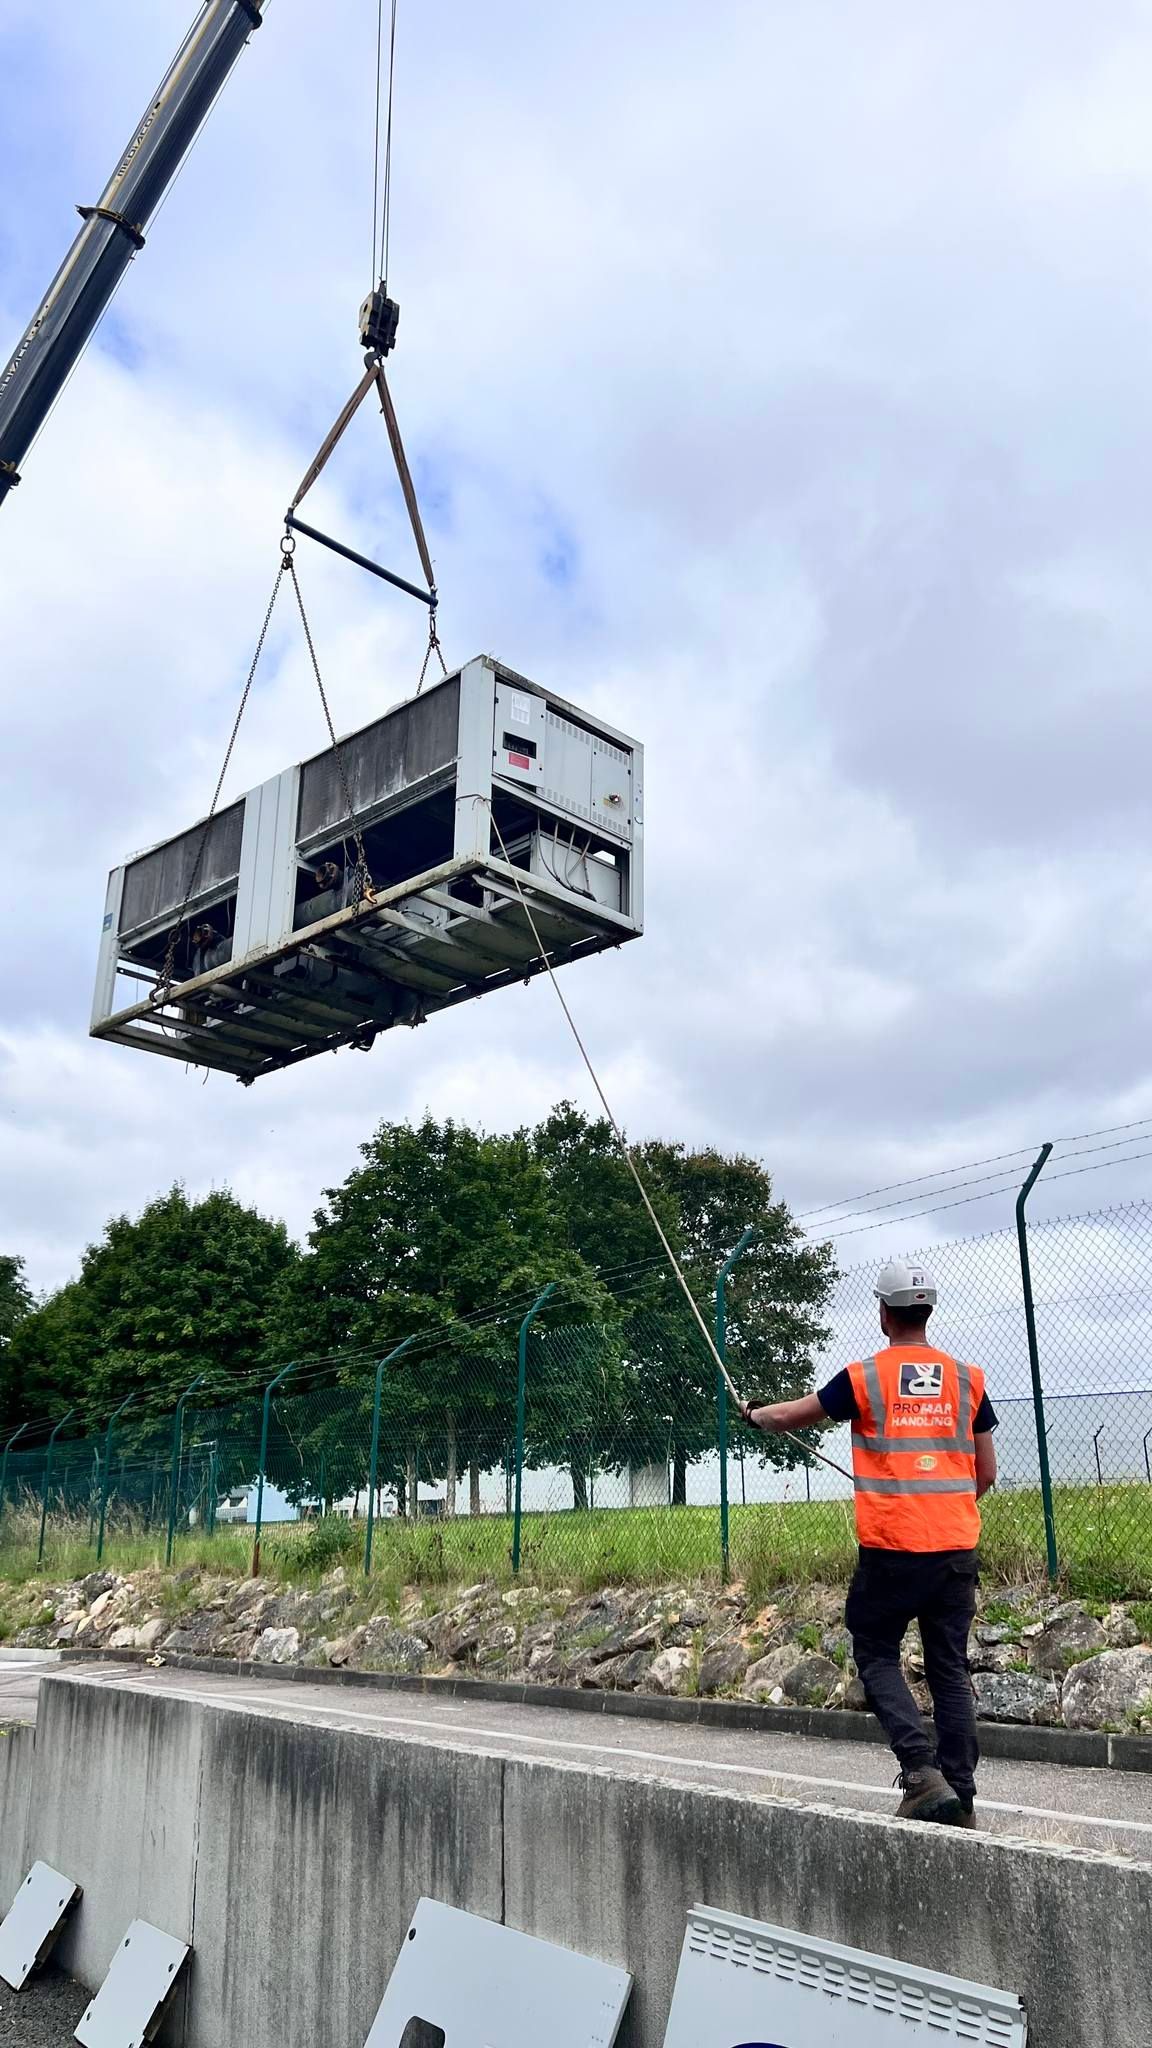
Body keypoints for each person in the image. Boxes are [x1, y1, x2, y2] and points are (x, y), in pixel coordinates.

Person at [743, 1259, 998, 1828]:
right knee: (949, 1668)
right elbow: (986, 1472)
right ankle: (960, 1794)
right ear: (927, 1312)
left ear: (884, 1314)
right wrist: (945, 1507)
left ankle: (921, 1773)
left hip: (891, 1549)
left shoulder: (864, 1377)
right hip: (955, 1548)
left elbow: (793, 1416)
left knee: (876, 1651)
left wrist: (755, 1414)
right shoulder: (968, 1380)